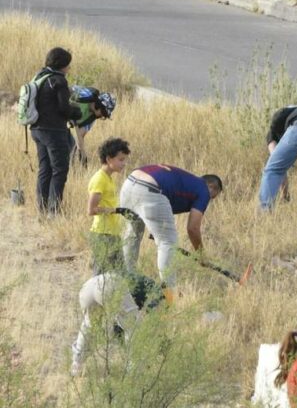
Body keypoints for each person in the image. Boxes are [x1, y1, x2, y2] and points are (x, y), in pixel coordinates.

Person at [119, 164, 222, 299]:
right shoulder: (203, 190)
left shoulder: (187, 182)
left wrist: (155, 228)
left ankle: (126, 280)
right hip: (151, 189)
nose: (209, 201)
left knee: (134, 232)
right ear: (211, 187)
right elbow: (193, 228)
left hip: (129, 184)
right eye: (213, 197)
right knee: (167, 242)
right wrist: (201, 254)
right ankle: (169, 295)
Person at [70, 271, 163, 376]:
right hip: (110, 285)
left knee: (89, 325)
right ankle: (134, 371)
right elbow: (152, 318)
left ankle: (77, 364)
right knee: (133, 327)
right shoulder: (156, 292)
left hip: (88, 286)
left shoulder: (139, 282)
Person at [31, 47, 82, 215]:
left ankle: (42, 208)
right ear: (62, 65)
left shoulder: (40, 76)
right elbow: (63, 108)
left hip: (37, 129)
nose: (69, 68)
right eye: (68, 65)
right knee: (60, 169)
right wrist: (76, 111)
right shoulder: (59, 80)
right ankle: (54, 211)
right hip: (53, 131)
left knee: (45, 168)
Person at [87, 138, 130, 274]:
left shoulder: (108, 178)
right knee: (100, 276)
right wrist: (116, 210)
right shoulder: (99, 179)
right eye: (121, 159)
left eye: (124, 159)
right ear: (109, 159)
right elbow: (91, 210)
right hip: (102, 234)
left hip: (113, 233)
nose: (124, 164)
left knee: (119, 274)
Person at [70, 86, 117, 166]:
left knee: (70, 144)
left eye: (105, 115)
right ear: (99, 105)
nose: (102, 115)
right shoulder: (85, 96)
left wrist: (83, 156)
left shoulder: (91, 119)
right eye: (103, 112)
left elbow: (80, 136)